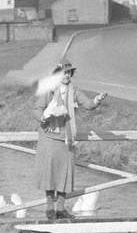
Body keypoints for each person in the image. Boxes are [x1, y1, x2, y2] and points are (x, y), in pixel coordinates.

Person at [34, 61, 107, 220]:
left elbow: (88, 105)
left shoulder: (74, 91)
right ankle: (49, 208)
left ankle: (61, 208)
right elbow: (36, 109)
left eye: (69, 73)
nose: (66, 75)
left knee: (65, 173)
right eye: (63, 73)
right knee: (50, 173)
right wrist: (45, 119)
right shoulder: (48, 91)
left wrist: (97, 100)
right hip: (49, 138)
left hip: (67, 139)